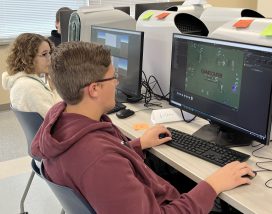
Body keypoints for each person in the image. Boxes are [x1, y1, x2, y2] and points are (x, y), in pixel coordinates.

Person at [31, 42, 255, 213]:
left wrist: (137, 145)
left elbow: (108, 161)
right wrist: (213, 184)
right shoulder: (99, 161)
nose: (117, 82)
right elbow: (104, 164)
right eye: (113, 77)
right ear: (94, 89)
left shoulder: (61, 117)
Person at [2, 33, 61, 118]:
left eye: (50, 53)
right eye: (44, 54)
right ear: (28, 58)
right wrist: (55, 90)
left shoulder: (25, 81)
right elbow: (57, 119)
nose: (50, 58)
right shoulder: (29, 86)